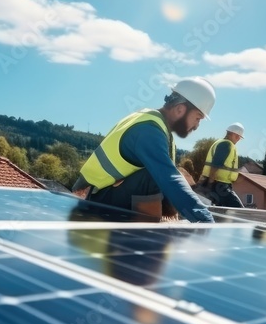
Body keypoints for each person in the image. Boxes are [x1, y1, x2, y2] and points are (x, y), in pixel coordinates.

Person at [72, 77, 216, 223]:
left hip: (101, 195)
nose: (197, 126)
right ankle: (148, 239)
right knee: (154, 177)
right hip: (90, 200)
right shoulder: (149, 130)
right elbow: (169, 179)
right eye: (198, 118)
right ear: (180, 109)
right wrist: (204, 219)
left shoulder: (156, 125)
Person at [197, 123, 245, 208]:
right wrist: (210, 184)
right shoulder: (226, 145)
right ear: (233, 134)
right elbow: (215, 165)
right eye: (238, 137)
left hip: (218, 184)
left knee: (221, 210)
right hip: (218, 184)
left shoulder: (222, 143)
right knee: (238, 209)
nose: (238, 139)